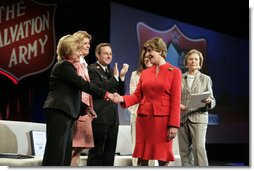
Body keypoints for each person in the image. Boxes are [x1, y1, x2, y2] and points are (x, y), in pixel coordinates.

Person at [42, 35, 115, 166]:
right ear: (69, 49)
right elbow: (83, 84)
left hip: (66, 112)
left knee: (63, 154)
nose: (80, 52)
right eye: (77, 49)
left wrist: (85, 108)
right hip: (59, 111)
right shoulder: (64, 66)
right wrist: (106, 94)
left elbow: (71, 93)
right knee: (56, 152)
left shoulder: (68, 67)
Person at [114, 37, 182, 166]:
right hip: (144, 120)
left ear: (161, 51)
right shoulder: (145, 73)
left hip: (162, 122)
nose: (147, 54)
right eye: (146, 51)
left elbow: (175, 101)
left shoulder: (175, 72)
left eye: (150, 50)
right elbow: (137, 96)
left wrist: (173, 125)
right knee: (142, 158)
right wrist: (122, 98)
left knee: (163, 158)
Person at [86, 43, 129, 166]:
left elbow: (120, 93)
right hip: (100, 117)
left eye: (110, 53)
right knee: (97, 154)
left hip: (113, 119)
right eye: (105, 53)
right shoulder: (92, 69)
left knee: (109, 156)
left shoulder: (111, 72)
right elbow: (100, 89)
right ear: (97, 55)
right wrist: (115, 77)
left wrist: (121, 77)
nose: (109, 56)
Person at [178, 49, 216, 166]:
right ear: (186, 62)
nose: (193, 61)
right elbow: (175, 97)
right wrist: (177, 104)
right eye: (190, 59)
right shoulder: (179, 77)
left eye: (196, 59)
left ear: (200, 62)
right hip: (182, 118)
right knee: (184, 151)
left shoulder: (205, 78)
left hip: (198, 117)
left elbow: (213, 101)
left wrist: (209, 101)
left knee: (199, 148)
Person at [70, 31, 96, 166]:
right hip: (77, 110)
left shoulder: (83, 63)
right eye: (85, 43)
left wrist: (90, 108)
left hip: (85, 111)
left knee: (78, 149)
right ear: (77, 44)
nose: (88, 46)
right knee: (73, 148)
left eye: (89, 43)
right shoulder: (74, 62)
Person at [128, 50, 154, 166]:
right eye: (145, 57)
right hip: (137, 114)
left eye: (150, 57)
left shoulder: (159, 73)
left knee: (153, 147)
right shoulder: (135, 74)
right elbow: (133, 94)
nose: (148, 59)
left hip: (154, 116)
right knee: (136, 146)